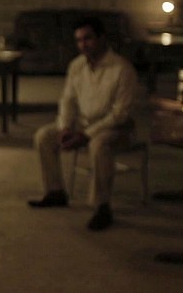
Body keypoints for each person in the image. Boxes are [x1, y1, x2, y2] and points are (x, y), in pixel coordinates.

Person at [28, 16, 139, 231]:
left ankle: (101, 207)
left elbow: (120, 114)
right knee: (44, 136)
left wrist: (86, 135)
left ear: (102, 38)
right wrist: (65, 128)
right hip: (83, 124)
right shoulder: (77, 65)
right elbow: (67, 100)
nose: (83, 45)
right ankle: (55, 192)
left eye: (88, 38)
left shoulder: (122, 69)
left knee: (99, 144)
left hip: (116, 128)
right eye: (78, 40)